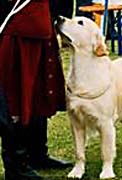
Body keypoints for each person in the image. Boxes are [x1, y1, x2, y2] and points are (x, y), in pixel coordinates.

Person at [0, 0, 73, 179]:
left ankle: (37, 154)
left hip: (42, 22)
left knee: (40, 93)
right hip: (17, 27)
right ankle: (17, 165)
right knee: (17, 96)